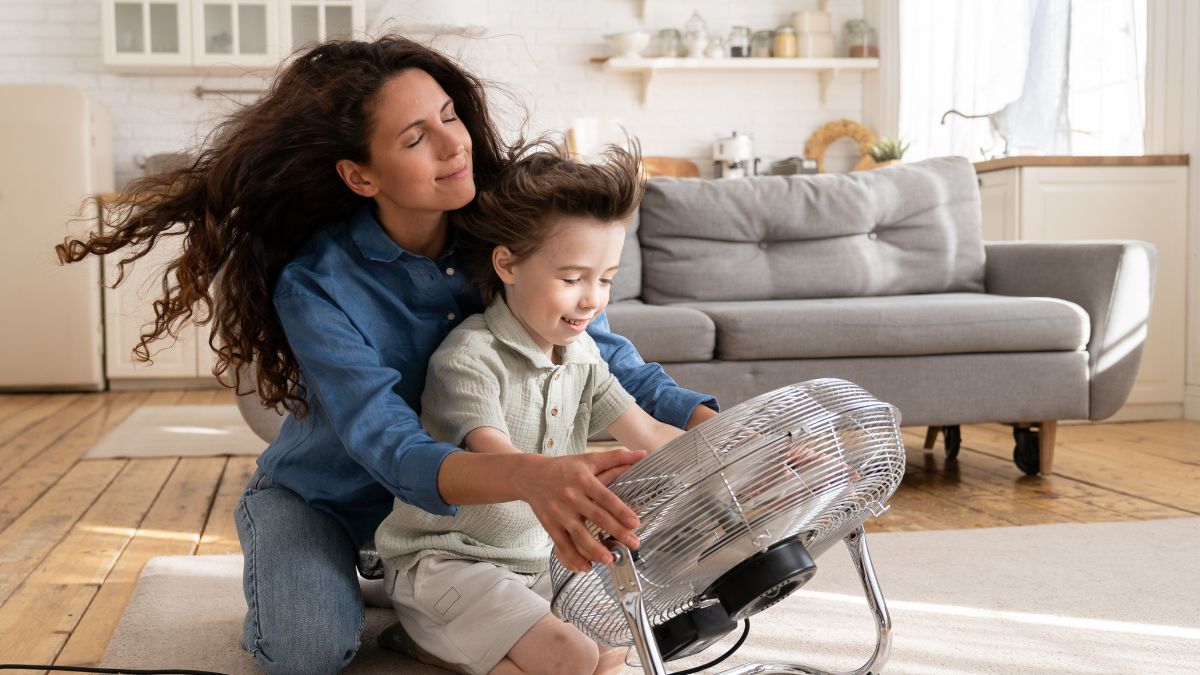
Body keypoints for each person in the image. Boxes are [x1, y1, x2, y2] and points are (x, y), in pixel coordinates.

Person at [54, 36, 717, 675]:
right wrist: (531, 475)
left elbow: (599, 352)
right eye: (414, 137)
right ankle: (357, 572)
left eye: (450, 115)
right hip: (331, 498)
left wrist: (710, 427)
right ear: (359, 174)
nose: (454, 142)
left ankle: (412, 613)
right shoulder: (318, 283)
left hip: (460, 523)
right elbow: (392, 445)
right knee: (306, 651)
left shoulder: (494, 234)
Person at [375, 142, 681, 675]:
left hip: (537, 560)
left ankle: (439, 642)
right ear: (506, 264)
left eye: (606, 279)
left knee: (617, 649)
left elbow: (649, 431)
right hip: (449, 561)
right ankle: (423, 632)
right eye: (572, 279)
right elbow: (502, 462)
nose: (593, 300)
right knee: (570, 656)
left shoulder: (583, 353)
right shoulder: (468, 358)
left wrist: (753, 451)